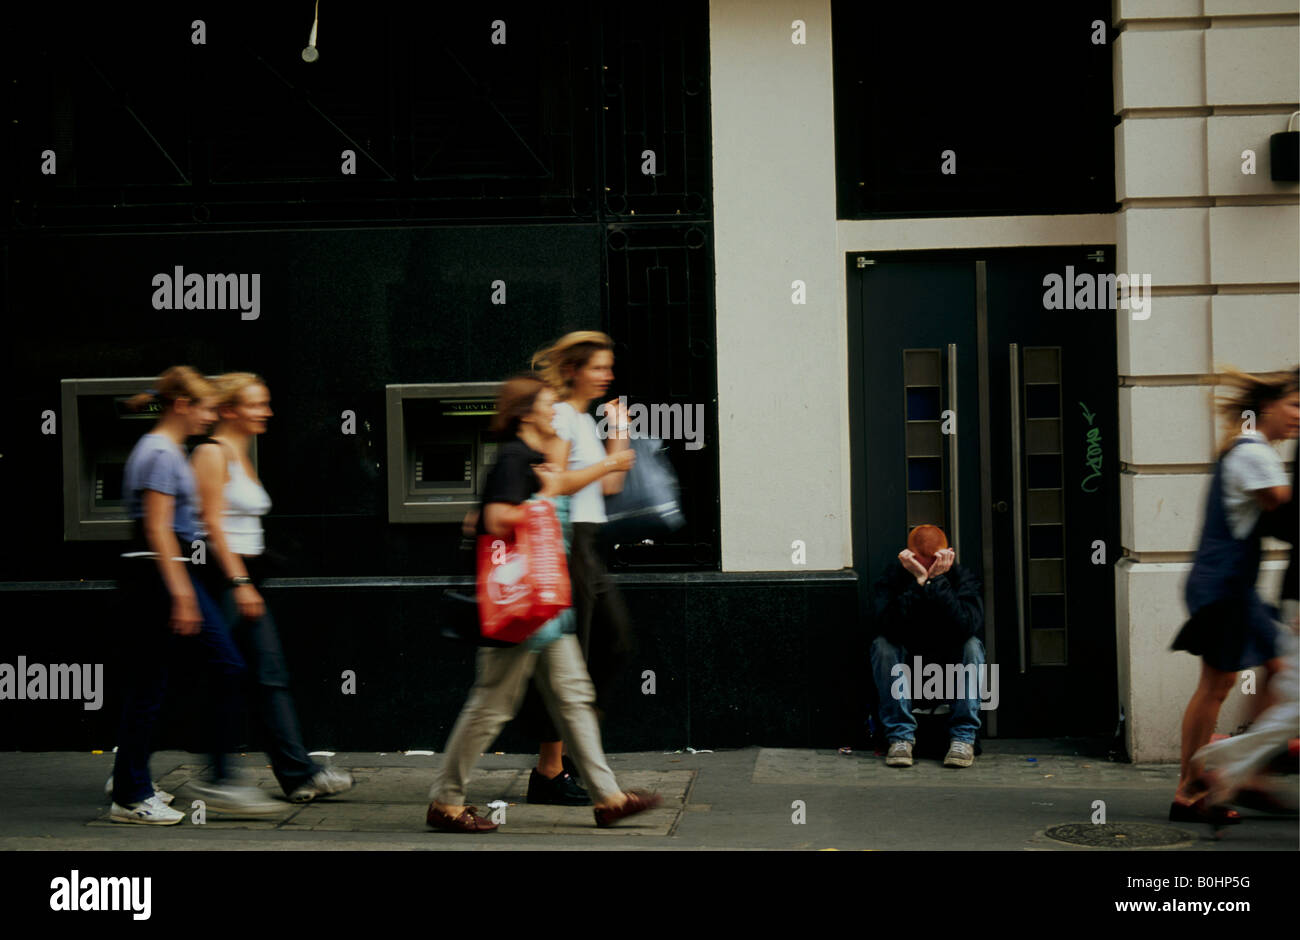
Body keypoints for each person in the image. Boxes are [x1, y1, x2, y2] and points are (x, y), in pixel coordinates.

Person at [427, 374, 659, 832]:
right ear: (526, 411)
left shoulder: (532, 453)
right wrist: (547, 497)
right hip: (519, 608)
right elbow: (494, 519)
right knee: (491, 706)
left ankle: (608, 798)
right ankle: (446, 801)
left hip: (543, 605)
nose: (556, 409)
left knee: (574, 697)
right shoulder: (513, 459)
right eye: (548, 403)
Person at [109, 366, 278, 824]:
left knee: (153, 682)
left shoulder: (162, 448)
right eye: (204, 409)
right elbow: (159, 530)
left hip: (160, 572)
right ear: (183, 406)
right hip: (159, 573)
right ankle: (134, 793)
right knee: (209, 668)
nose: (209, 418)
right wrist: (183, 595)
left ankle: (130, 780)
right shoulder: (162, 453)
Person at [189, 373, 355, 804]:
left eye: (266, 403)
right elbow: (211, 526)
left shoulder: (243, 452)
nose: (267, 411)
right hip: (224, 578)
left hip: (245, 578)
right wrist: (240, 581)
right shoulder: (211, 453)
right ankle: (212, 775)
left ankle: (296, 774)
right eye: (256, 404)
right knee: (220, 673)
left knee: (266, 675)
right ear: (229, 410)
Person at [1170, 367, 1299, 825]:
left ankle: (1249, 770)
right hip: (1224, 587)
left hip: (1230, 586)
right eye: (1295, 406)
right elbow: (1286, 507)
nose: (1298, 417)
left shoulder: (1247, 450)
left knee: (1279, 667)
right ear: (1268, 408)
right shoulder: (1253, 455)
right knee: (1216, 686)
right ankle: (1189, 789)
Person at [869, 525, 985, 768]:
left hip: (947, 656)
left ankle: (963, 737)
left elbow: (966, 626)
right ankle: (900, 737)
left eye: (933, 562)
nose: (927, 568)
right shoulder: (894, 577)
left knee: (972, 647)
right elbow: (886, 625)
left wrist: (938, 581)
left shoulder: (961, 578)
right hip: (907, 655)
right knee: (883, 646)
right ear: (908, 557)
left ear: (947, 555)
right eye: (921, 564)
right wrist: (918, 583)